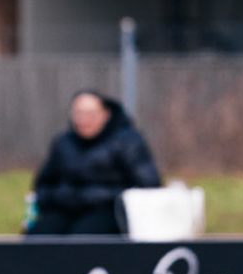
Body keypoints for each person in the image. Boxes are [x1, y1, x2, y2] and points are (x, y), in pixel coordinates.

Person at [27, 90, 161, 236]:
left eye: (90, 114)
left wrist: (94, 197)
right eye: (78, 114)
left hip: (110, 211)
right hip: (65, 210)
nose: (84, 120)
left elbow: (149, 185)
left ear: (106, 114)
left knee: (83, 238)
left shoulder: (127, 142)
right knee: (38, 236)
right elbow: (43, 184)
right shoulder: (64, 142)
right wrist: (58, 197)